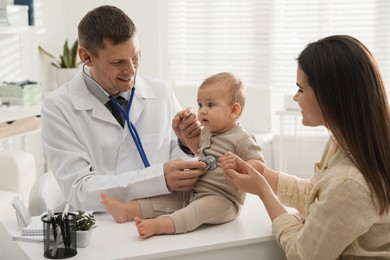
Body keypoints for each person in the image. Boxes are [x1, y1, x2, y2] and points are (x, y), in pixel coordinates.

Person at [221, 35, 390, 259]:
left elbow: (303, 255)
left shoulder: (350, 182)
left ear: (331, 96)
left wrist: (263, 192)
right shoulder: (346, 143)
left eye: (301, 89)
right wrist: (263, 174)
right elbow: (318, 197)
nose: (295, 97)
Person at [41, 5, 207, 212]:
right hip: (103, 225)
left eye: (136, 56)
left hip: (162, 217)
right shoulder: (58, 107)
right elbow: (80, 191)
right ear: (86, 56)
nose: (131, 70)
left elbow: (180, 166)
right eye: (117, 61)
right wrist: (158, 179)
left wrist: (184, 144)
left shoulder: (161, 92)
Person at [101, 72, 265, 239]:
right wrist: (183, 134)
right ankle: (126, 210)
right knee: (167, 198)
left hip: (222, 199)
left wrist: (239, 165)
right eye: (200, 105)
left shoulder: (243, 138)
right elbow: (197, 150)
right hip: (194, 190)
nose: (202, 111)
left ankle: (159, 225)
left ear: (234, 110)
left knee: (194, 212)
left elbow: (259, 166)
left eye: (210, 105)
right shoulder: (208, 132)